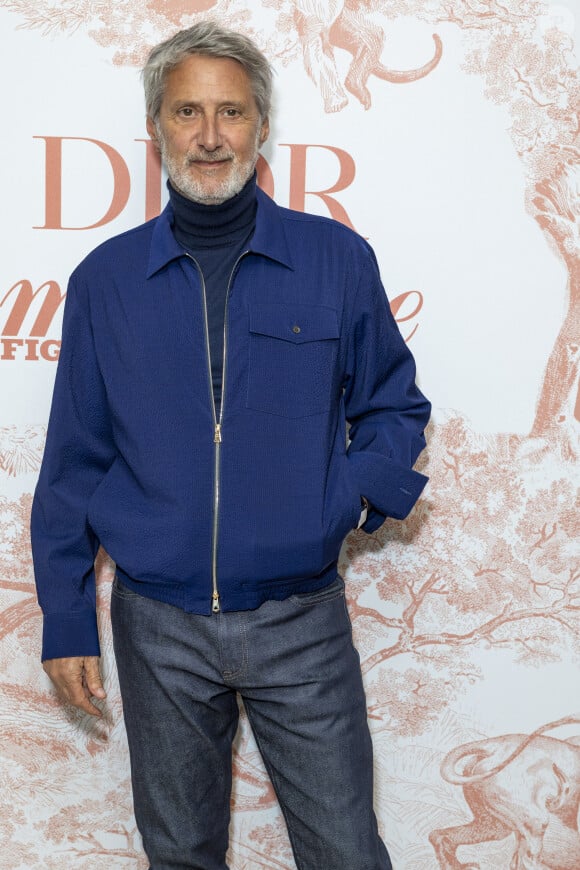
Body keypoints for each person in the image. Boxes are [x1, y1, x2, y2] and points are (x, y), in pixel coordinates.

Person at [31, 21, 430, 870]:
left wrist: (349, 502)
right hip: (157, 624)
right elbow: (74, 464)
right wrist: (67, 618)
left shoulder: (335, 260)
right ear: (157, 128)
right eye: (188, 112)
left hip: (302, 619)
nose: (211, 136)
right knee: (179, 853)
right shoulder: (105, 280)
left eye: (232, 113)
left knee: (347, 853)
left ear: (261, 127)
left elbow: (395, 404)